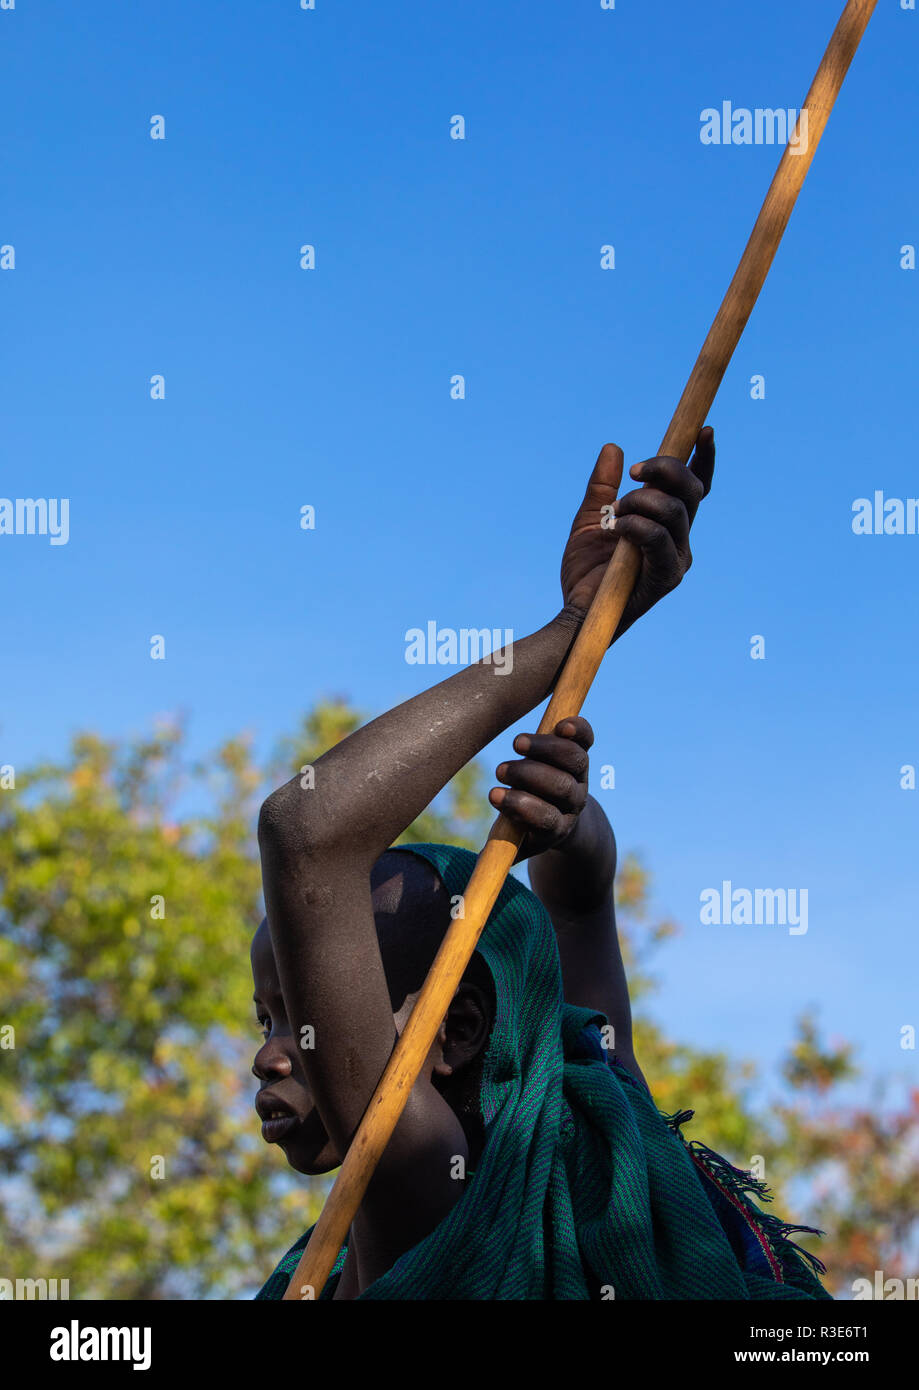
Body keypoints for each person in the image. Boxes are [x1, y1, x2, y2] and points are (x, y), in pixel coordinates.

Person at [252, 430, 831, 1299]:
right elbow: (583, 917)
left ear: (455, 1034)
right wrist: (567, 829)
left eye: (302, 1008)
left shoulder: (427, 1181)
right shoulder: (565, 1147)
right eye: (267, 1018)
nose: (269, 1056)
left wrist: (570, 633)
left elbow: (305, 829)